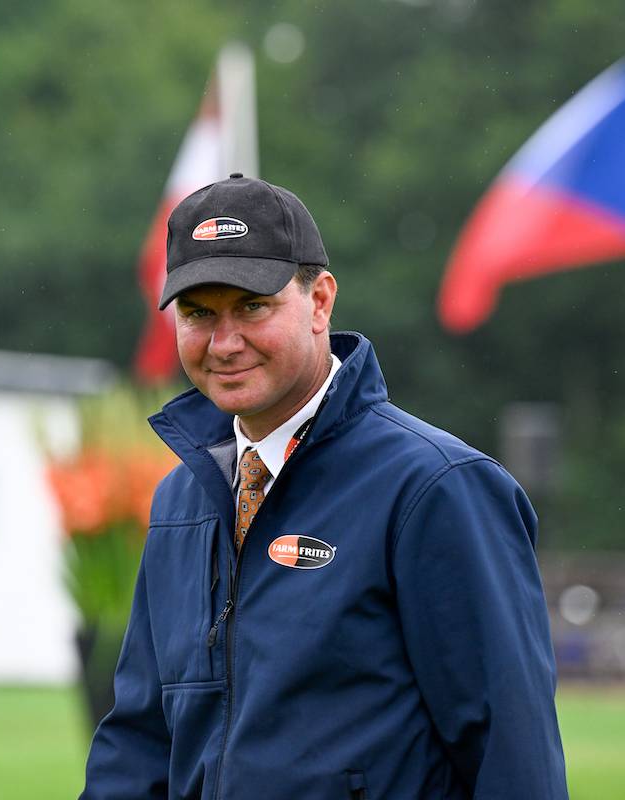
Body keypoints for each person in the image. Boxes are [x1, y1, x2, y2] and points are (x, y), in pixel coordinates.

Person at [81, 174, 568, 799]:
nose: (224, 343)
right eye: (199, 313)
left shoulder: (437, 488)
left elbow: (512, 754)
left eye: (252, 306)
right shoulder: (182, 500)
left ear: (319, 302)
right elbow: (138, 746)